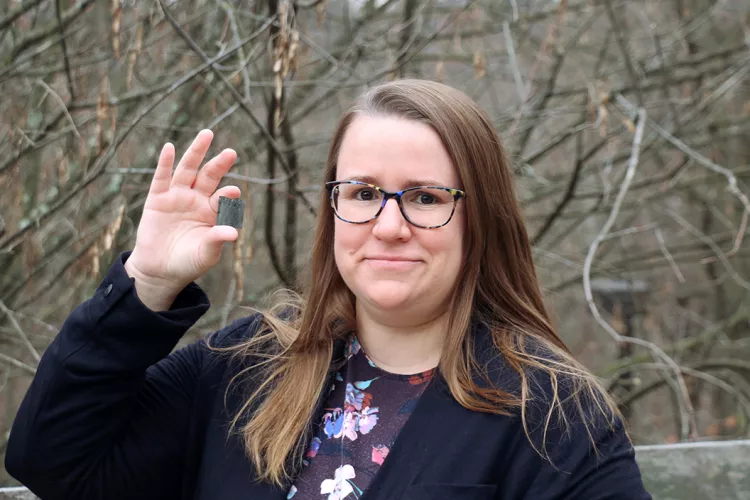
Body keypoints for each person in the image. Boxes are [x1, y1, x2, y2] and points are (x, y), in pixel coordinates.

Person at [5, 80, 651, 500]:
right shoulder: (249, 367)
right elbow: (57, 461)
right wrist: (147, 284)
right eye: (364, 193)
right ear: (332, 210)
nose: (389, 226)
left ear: (480, 219)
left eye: (425, 198)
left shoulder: (552, 414)